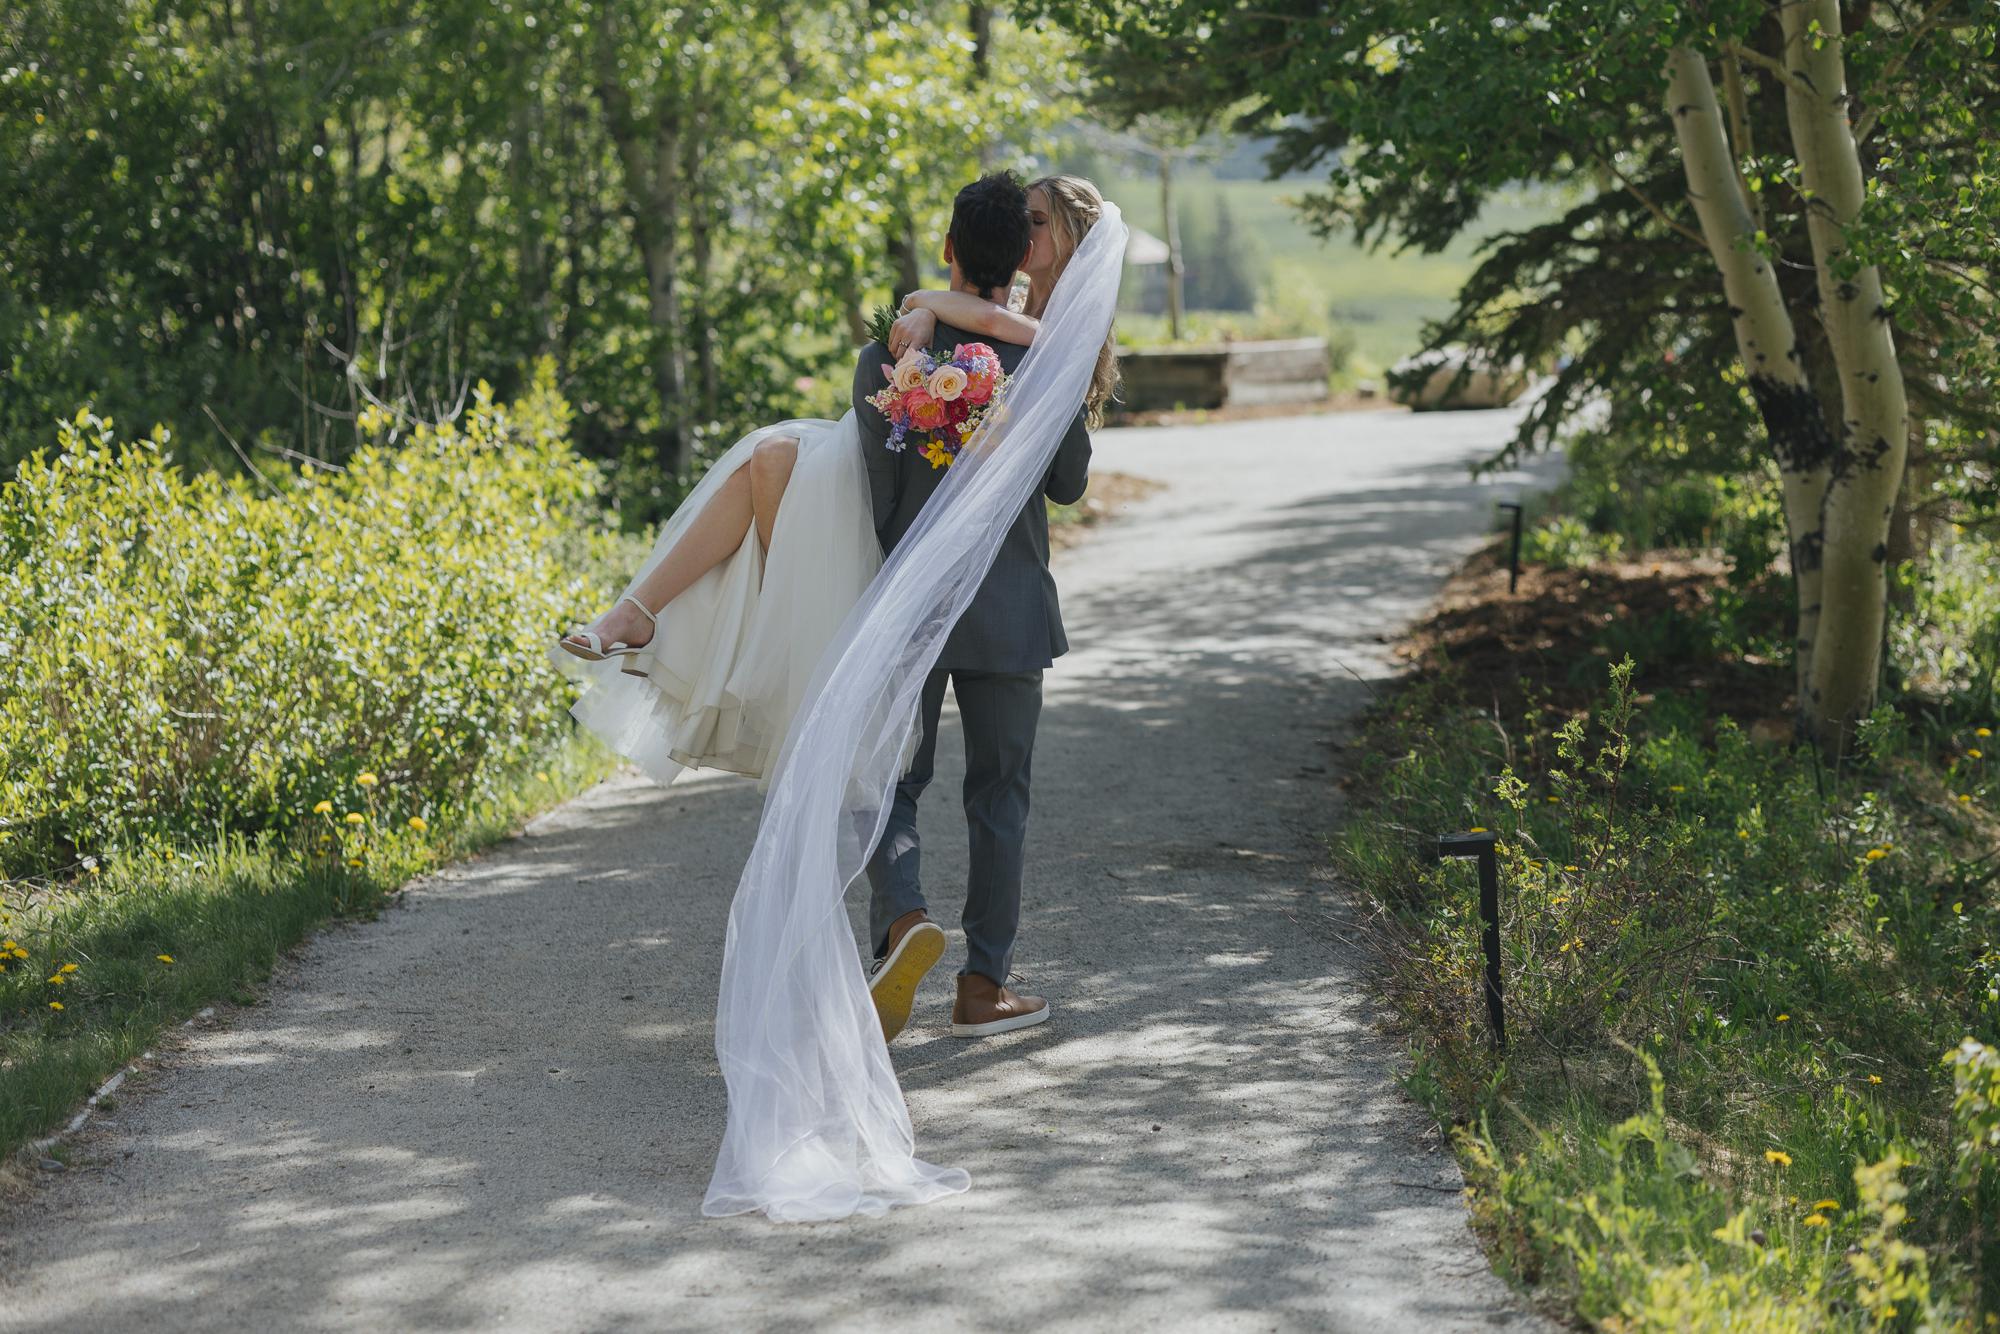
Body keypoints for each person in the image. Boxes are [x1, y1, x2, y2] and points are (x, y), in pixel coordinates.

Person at [553, 173, 1116, 795]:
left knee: (768, 460)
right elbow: (997, 332)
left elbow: (1035, 381)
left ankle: (691, 609)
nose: (1031, 234)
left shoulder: (1045, 335)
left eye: (1042, 222)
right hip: (932, 518)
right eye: (1027, 223)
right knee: (766, 457)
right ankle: (642, 612)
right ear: (1012, 253)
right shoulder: (992, 328)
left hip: (920, 531)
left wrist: (923, 303)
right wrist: (928, 308)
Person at [852, 172, 1118, 1046]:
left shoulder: (891, 356)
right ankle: (981, 988)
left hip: (916, 610)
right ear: (1023, 260)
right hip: (1010, 614)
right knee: (998, 798)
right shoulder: (1042, 358)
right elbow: (1071, 484)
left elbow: (881, 507)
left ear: (949, 252)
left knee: (893, 780)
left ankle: (901, 923)